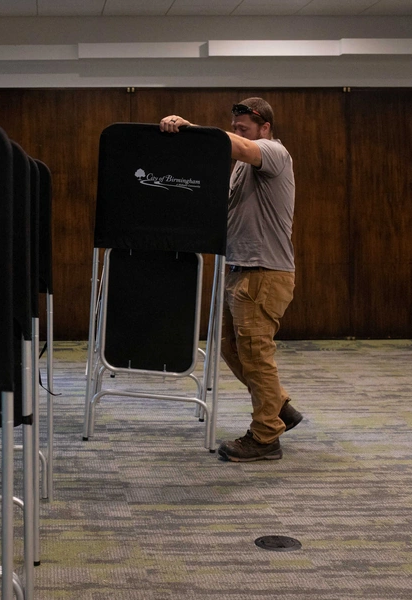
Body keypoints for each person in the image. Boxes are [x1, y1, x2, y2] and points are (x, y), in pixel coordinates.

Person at [159, 98, 301, 462]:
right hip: (240, 270)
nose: (239, 134)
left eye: (245, 128)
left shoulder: (272, 153)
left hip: (264, 273)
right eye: (235, 126)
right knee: (231, 348)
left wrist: (193, 131)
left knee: (255, 356)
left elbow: (236, 146)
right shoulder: (241, 168)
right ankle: (279, 405)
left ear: (265, 128)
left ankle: (266, 436)